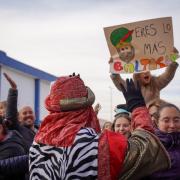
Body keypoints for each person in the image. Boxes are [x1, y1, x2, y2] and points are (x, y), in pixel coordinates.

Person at [29, 74, 170, 180]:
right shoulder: (99, 143)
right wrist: (138, 106)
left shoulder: (37, 141)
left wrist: (69, 88)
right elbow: (146, 149)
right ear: (86, 108)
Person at [110, 48, 179, 105]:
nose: (146, 72)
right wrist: (114, 68)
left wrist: (173, 57)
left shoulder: (155, 83)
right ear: (137, 75)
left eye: (148, 70)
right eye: (142, 72)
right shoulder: (132, 85)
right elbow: (120, 84)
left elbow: (168, 75)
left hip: (153, 116)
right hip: (137, 116)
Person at [148, 103, 180, 179]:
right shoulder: (150, 146)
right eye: (166, 120)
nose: (172, 125)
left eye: (176, 120)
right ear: (157, 122)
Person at [3, 73, 35, 149]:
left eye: (30, 112)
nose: (28, 115)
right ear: (19, 118)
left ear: (35, 116)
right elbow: (11, 116)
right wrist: (13, 90)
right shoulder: (18, 129)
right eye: (24, 113)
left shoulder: (41, 131)